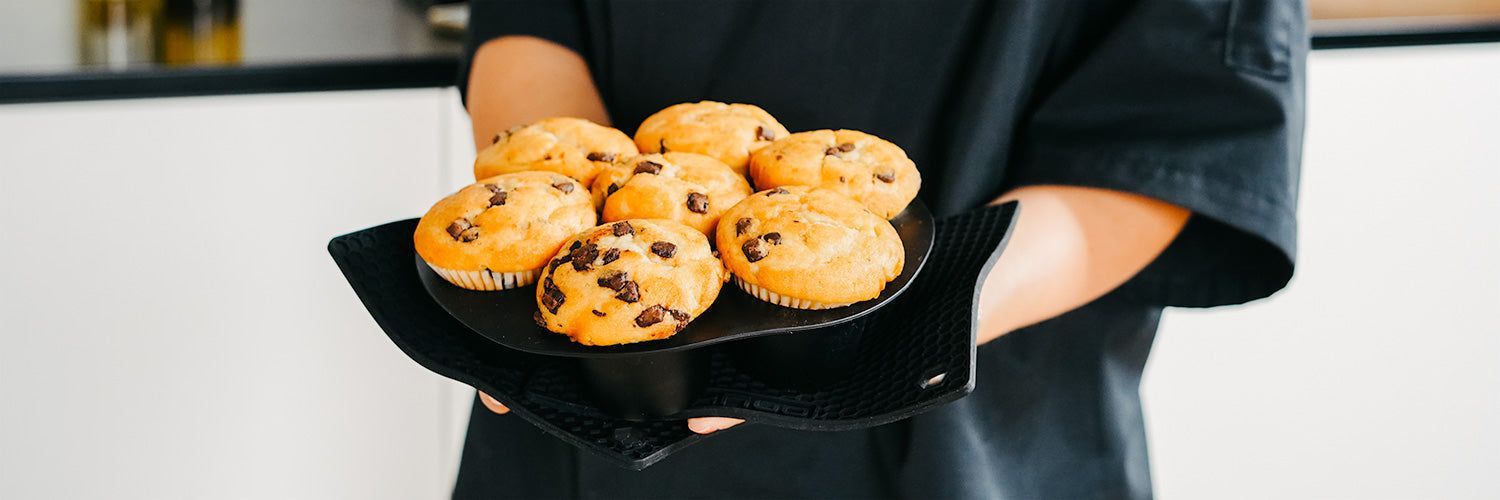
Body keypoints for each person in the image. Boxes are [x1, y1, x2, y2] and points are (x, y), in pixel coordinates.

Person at [454, 1, 1304, 498]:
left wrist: (906, 322)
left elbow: (1173, 136)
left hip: (972, 431)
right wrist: (546, 221)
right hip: (597, 408)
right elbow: (532, 21)